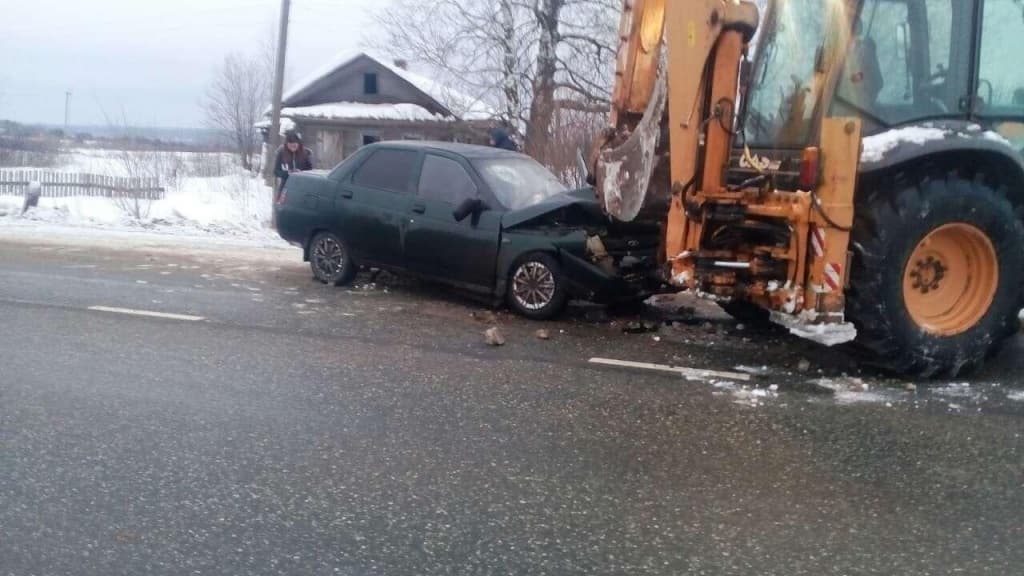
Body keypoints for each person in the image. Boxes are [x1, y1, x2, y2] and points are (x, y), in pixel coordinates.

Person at [274, 129, 313, 197]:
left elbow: (311, 171)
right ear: (286, 144)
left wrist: (300, 172)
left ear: (298, 143)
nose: (292, 147)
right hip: (285, 187)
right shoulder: (281, 153)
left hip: (302, 188)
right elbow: (276, 171)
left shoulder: (306, 153)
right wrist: (287, 173)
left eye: (294, 145)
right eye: (290, 145)